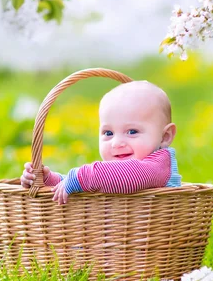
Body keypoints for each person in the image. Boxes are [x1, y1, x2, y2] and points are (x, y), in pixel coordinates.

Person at [20, 80, 181, 204]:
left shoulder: (159, 165)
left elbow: (125, 175)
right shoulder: (106, 176)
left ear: (165, 136)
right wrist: (49, 180)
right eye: (108, 133)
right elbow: (87, 185)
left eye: (132, 132)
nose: (116, 143)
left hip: (150, 244)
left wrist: (78, 177)